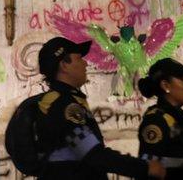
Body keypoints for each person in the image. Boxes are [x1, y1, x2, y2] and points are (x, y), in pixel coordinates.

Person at [34, 36, 165, 179]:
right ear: (64, 65)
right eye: (79, 58)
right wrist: (145, 167)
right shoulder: (63, 105)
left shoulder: (64, 101)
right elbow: (93, 154)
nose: (85, 63)